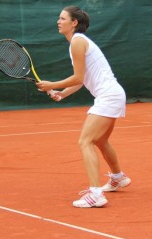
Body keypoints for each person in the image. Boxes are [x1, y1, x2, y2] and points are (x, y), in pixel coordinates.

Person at [36, 6, 131, 208]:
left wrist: (51, 85)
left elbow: (78, 77)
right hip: (112, 94)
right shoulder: (78, 43)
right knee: (101, 140)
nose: (58, 21)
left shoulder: (77, 42)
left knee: (85, 141)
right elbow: (81, 81)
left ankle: (96, 194)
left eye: (62, 18)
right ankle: (118, 177)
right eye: (58, 18)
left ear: (74, 23)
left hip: (108, 95)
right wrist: (62, 93)